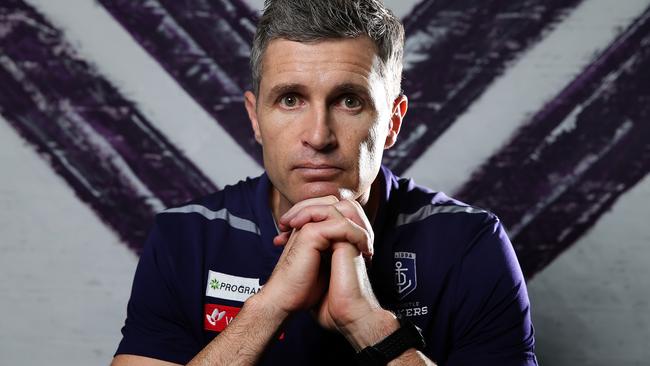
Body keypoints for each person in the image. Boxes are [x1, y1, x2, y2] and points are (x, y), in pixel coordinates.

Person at [112, 0, 537, 365]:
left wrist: (368, 323)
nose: (318, 136)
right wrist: (269, 307)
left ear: (392, 121)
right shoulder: (186, 237)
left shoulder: (467, 242)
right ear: (255, 117)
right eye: (290, 99)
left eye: (349, 100)